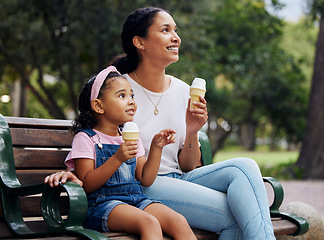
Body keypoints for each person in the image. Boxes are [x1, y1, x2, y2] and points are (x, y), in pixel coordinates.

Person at [45, 7, 276, 239]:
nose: (176, 37)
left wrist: (192, 131)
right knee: (238, 214)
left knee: (244, 166)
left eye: (175, 30)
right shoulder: (117, 89)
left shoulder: (184, 90)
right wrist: (70, 171)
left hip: (180, 178)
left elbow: (188, 166)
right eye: (165, 30)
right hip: (143, 185)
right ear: (140, 42)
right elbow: (96, 135)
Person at [62, 67, 196, 240]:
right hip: (101, 205)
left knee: (178, 221)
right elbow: (86, 184)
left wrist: (156, 148)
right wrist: (117, 158)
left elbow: (145, 178)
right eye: (122, 96)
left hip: (135, 199)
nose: (131, 101)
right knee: (149, 222)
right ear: (98, 106)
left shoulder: (129, 136)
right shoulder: (86, 138)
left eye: (132, 95)